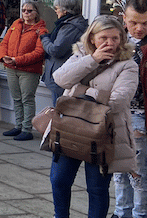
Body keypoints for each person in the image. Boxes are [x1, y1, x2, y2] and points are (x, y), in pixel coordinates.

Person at [51, 15, 138, 218]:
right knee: (59, 180)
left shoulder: (127, 65)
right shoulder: (81, 55)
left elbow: (117, 102)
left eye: (116, 38)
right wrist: (93, 60)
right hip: (71, 128)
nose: (110, 43)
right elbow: (61, 79)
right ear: (92, 38)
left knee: (97, 188)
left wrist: (82, 89)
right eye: (104, 38)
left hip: (103, 133)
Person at [113, 0, 147, 218]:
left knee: (138, 172)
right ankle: (120, 211)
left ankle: (139, 213)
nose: (139, 28)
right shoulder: (115, 41)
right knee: (118, 171)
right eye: (134, 22)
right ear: (124, 18)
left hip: (140, 115)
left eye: (145, 23)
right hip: (116, 114)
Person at [0, 0, 47, 141]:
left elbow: (39, 52)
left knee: (27, 99)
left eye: (29, 10)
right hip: (11, 67)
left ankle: (27, 129)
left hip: (28, 70)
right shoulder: (16, 25)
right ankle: (18, 125)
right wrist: (3, 57)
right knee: (16, 98)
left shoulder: (41, 30)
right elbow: (5, 42)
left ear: (36, 12)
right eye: (24, 10)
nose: (26, 13)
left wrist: (17, 60)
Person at [40, 0, 89, 105]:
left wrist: (45, 39)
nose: (55, 11)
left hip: (62, 77)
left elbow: (56, 50)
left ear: (65, 11)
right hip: (64, 75)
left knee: (60, 110)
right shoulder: (72, 24)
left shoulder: (70, 27)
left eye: (56, 9)